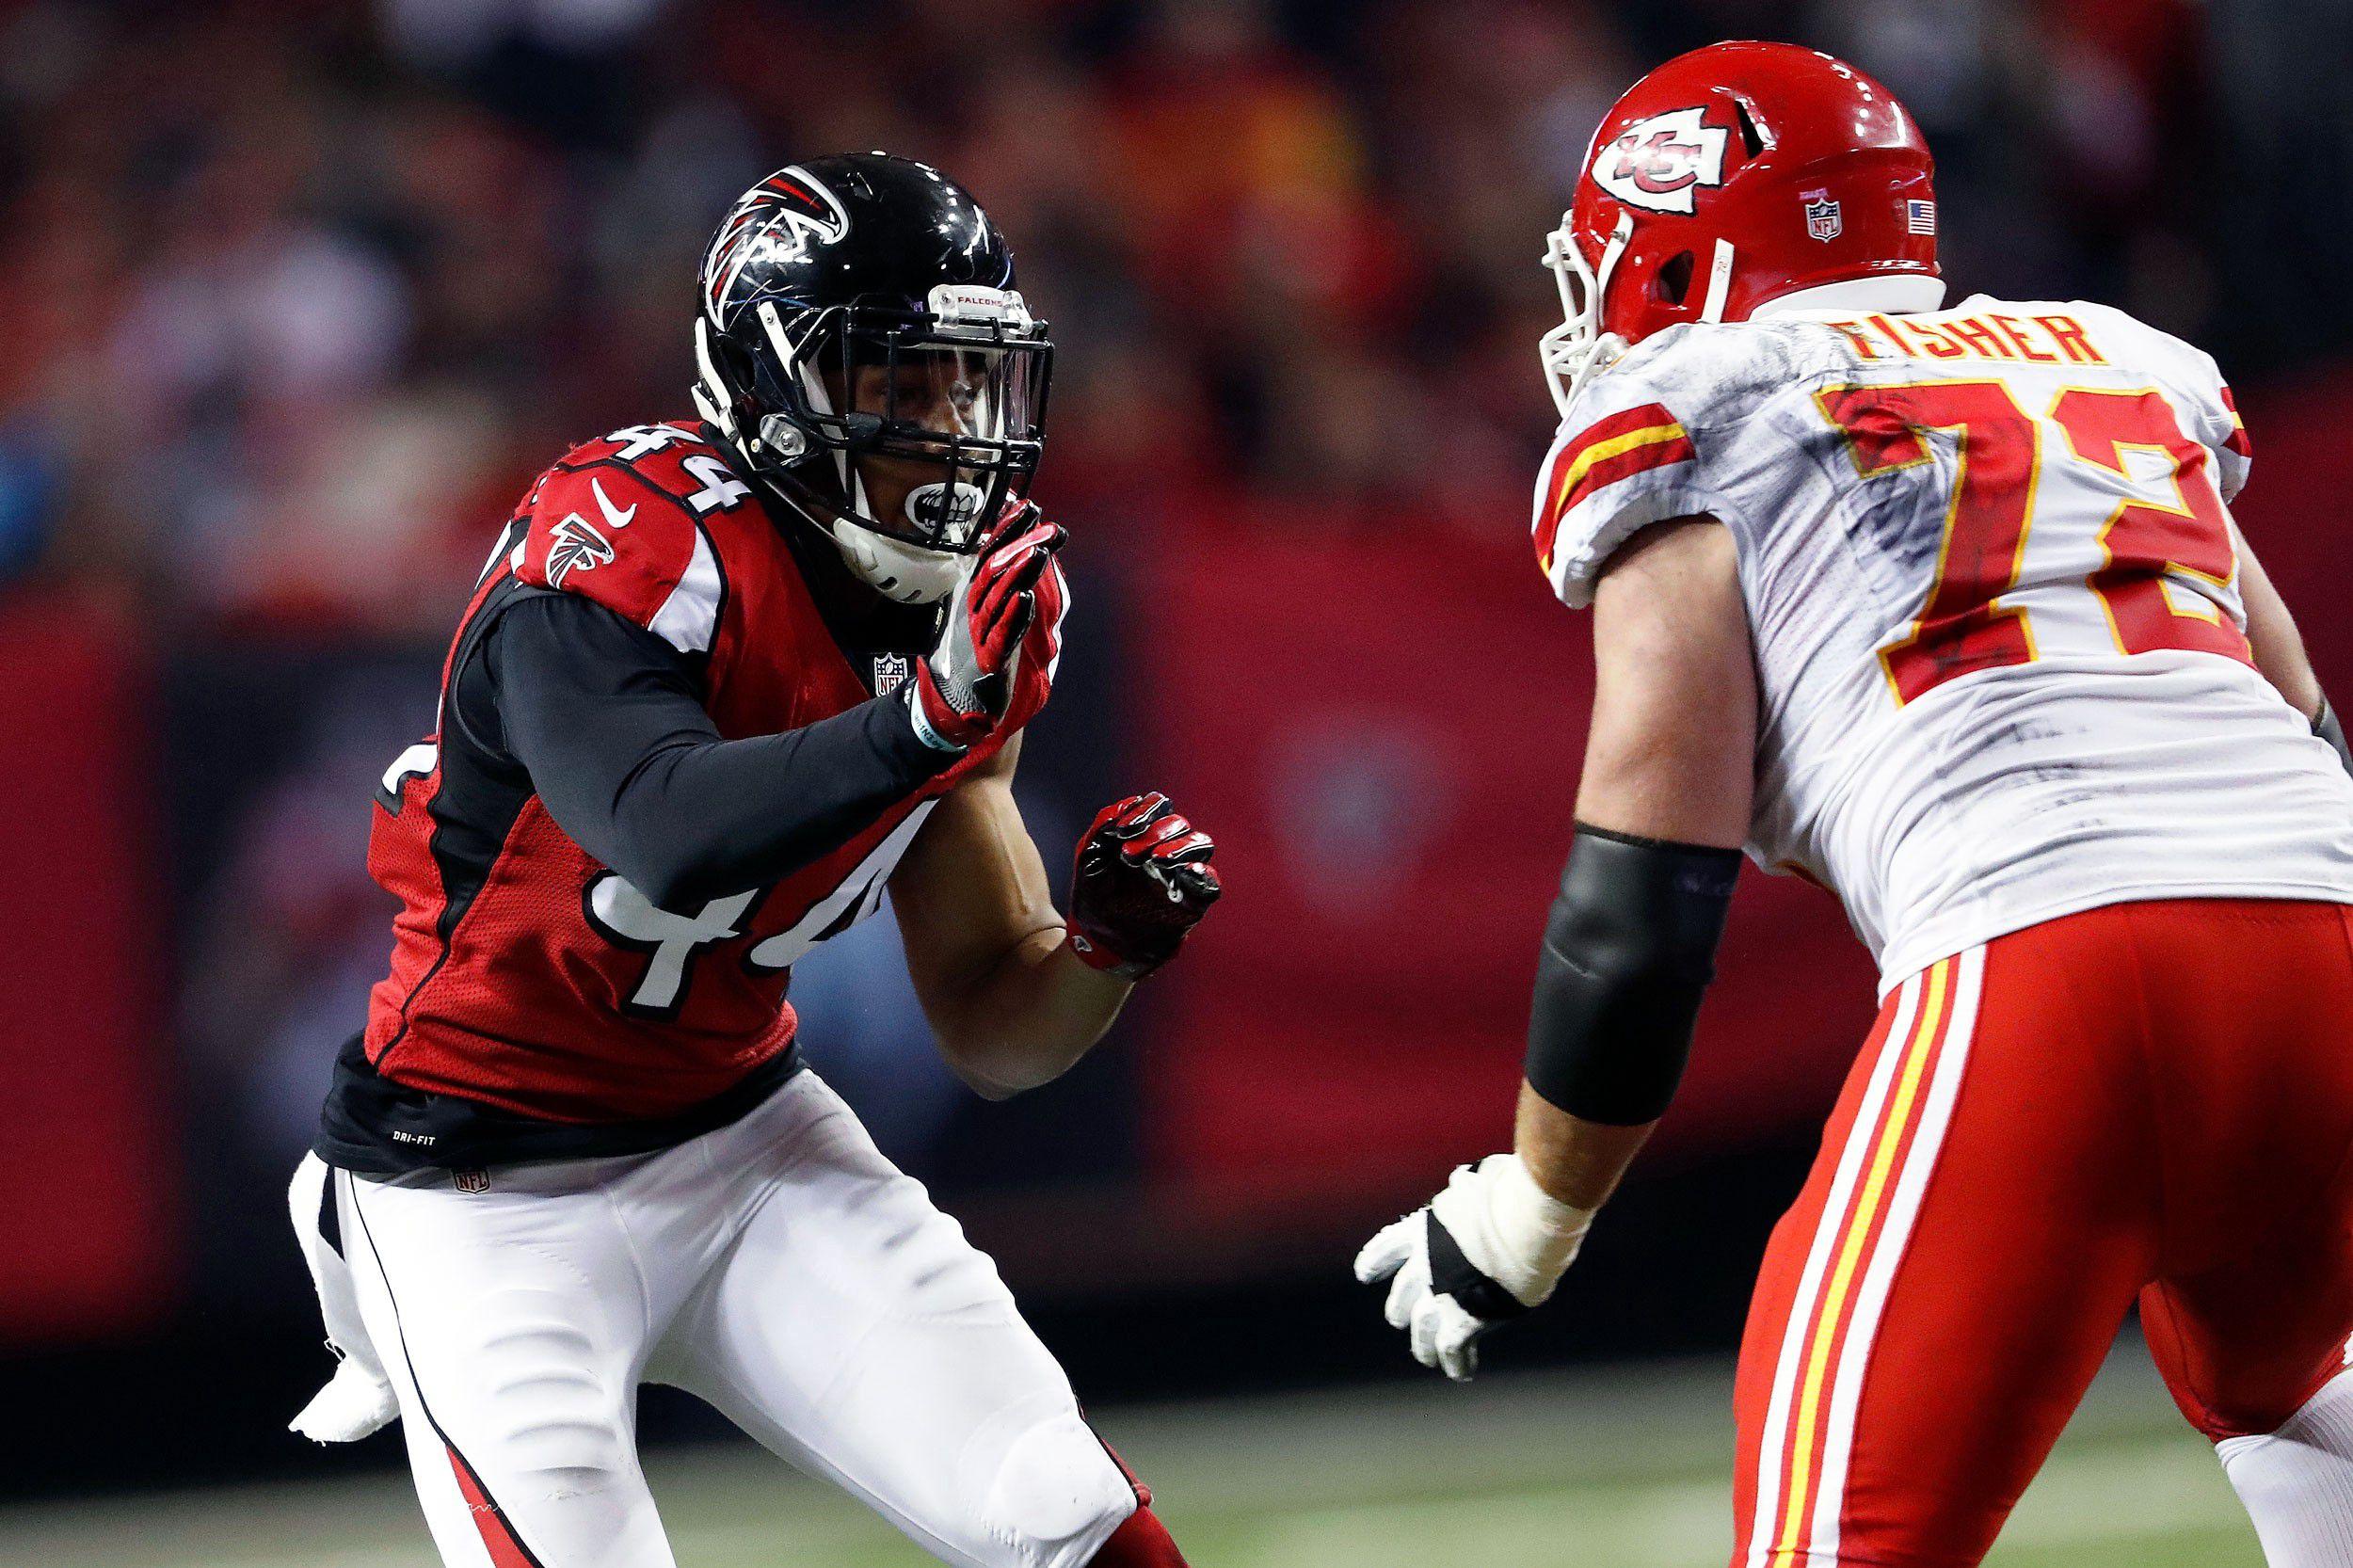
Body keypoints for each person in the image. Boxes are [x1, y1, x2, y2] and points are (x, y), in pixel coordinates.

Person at [1355, 41, 2353, 1568]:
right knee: (2309, 1432)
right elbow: (2302, 723)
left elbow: (1642, 906)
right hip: (2324, 945)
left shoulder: (1702, 402)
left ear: (1678, 251)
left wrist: (1529, 1211)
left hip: (2049, 959)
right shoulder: (2113, 359)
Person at [285, 152, 1216, 1568]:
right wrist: (924, 720)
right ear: (771, 381)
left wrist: (1103, 950)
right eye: (896, 383)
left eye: (967, 384)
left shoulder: (962, 609)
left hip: (744, 1138)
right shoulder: (624, 535)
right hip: (477, 1183)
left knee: (1071, 1514)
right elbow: (661, 825)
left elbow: (993, 1023)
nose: (945, 432)